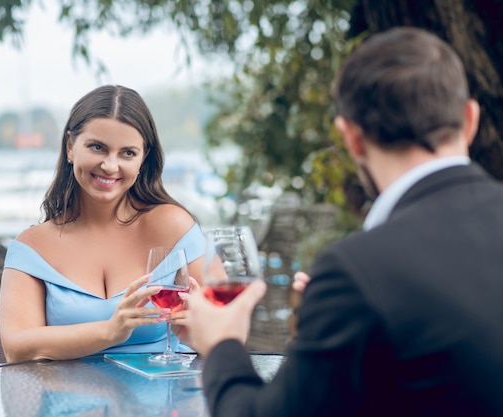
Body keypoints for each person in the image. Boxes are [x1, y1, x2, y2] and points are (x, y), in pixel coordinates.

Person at [179, 27, 503, 416]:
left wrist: (221, 345)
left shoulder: (358, 272)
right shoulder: (360, 283)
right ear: (470, 119)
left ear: (351, 138)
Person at [0, 85, 204, 362]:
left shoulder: (173, 226)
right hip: (67, 400)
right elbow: (17, 347)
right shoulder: (32, 246)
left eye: (127, 153)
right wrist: (109, 331)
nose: (110, 165)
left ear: (143, 158)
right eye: (97, 147)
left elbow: (227, 330)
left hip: (168, 400)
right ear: (70, 146)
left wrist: (203, 333)